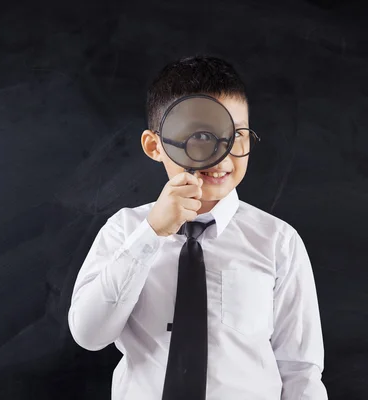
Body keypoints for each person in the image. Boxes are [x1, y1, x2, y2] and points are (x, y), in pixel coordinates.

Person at [67, 55, 328, 399]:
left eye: (237, 136)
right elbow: (89, 334)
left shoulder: (278, 241)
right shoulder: (124, 230)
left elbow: (300, 369)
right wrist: (152, 234)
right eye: (201, 137)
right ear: (154, 146)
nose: (221, 157)